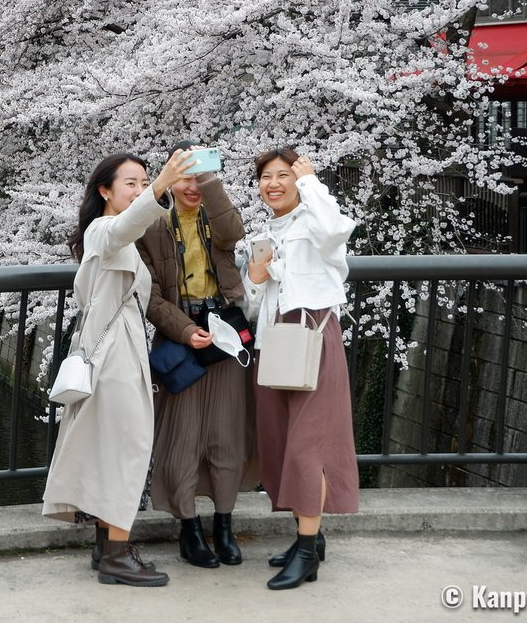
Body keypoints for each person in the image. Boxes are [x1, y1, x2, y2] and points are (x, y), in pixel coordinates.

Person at [42, 148, 192, 587]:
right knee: (126, 449)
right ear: (105, 191)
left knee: (110, 448)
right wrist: (161, 187)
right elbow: (127, 226)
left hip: (117, 353)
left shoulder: (118, 238)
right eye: (131, 183)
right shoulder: (102, 231)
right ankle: (117, 555)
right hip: (113, 359)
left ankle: (107, 546)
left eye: (144, 182)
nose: (140, 190)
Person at [243, 148, 359, 591]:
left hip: (314, 335)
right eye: (265, 177)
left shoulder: (316, 221)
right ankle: (309, 537)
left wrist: (312, 182)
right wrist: (255, 280)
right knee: (280, 442)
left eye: (283, 175)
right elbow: (254, 305)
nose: (273, 184)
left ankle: (307, 554)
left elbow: (336, 231)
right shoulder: (266, 233)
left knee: (308, 448)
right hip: (276, 340)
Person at [135, 143, 253, 569]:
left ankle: (224, 523)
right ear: (168, 178)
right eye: (184, 176)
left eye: (199, 175)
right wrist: (185, 330)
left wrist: (209, 180)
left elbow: (233, 232)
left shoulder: (214, 217)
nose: (192, 185)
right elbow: (149, 295)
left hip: (226, 337)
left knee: (226, 434)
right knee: (182, 439)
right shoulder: (150, 225)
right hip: (180, 338)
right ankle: (189, 527)